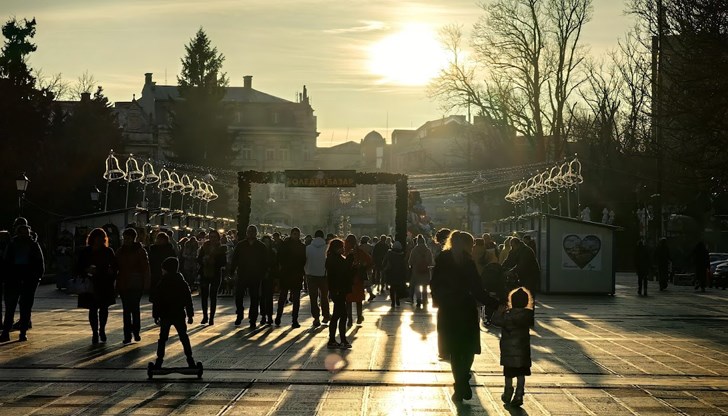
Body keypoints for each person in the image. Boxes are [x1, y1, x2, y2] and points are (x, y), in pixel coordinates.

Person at [430, 230, 497, 403]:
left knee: (453, 350)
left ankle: (459, 383)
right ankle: (463, 379)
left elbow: (434, 283)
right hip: (466, 308)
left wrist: (439, 300)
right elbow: (476, 287)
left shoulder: (443, 259)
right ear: (467, 244)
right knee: (467, 348)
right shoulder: (468, 261)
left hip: (448, 309)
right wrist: (491, 301)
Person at [491, 287, 535, 408]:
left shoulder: (507, 315)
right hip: (523, 351)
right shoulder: (528, 315)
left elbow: (495, 321)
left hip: (508, 351)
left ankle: (508, 391)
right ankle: (519, 394)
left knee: (509, 373)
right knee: (521, 373)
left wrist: (499, 311)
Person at [0, 225, 45, 343]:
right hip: (17, 279)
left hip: (24, 279)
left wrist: (37, 277)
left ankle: (17, 332)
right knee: (16, 307)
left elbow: (40, 264)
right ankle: (15, 332)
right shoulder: (25, 244)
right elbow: (6, 263)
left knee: (17, 307)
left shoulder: (29, 245)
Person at [73, 228, 117, 345]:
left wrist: (111, 272)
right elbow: (78, 267)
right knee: (93, 309)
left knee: (103, 308)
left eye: (101, 237)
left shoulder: (108, 251)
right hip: (90, 283)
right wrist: (86, 270)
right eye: (97, 237)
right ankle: (94, 332)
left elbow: (114, 267)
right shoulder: (85, 252)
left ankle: (101, 329)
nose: (99, 240)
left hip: (104, 283)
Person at [152, 257, 197, 369]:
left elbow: (157, 300)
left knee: (163, 338)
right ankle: (190, 360)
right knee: (183, 337)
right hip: (179, 313)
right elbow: (188, 299)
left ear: (165, 269)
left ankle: (159, 361)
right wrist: (190, 314)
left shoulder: (162, 283)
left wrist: (155, 315)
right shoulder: (182, 282)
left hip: (165, 314)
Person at [115, 228, 150, 343]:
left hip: (135, 282)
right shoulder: (120, 251)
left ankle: (135, 331)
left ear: (133, 238)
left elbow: (145, 268)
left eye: (128, 238)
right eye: (124, 238)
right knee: (127, 309)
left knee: (134, 308)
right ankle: (128, 334)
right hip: (124, 283)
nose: (126, 240)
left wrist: (146, 283)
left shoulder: (139, 251)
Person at [230, 225, 268, 329]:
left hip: (255, 276)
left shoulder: (261, 246)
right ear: (247, 233)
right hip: (242, 274)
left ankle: (253, 319)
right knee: (238, 296)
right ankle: (240, 313)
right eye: (249, 231)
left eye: (253, 231)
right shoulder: (241, 245)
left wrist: (263, 273)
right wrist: (231, 271)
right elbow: (235, 259)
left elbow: (265, 261)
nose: (251, 233)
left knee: (254, 299)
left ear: (256, 233)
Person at [275, 227, 306, 328]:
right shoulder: (286, 245)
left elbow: (304, 260)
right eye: (294, 234)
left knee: (296, 299)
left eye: (297, 234)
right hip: (287, 274)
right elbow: (280, 258)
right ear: (291, 234)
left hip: (296, 275)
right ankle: (278, 317)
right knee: (283, 297)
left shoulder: (301, 246)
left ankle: (295, 320)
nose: (296, 235)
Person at [325, 238, 353, 349]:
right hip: (337, 290)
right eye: (341, 247)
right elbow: (342, 270)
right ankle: (341, 340)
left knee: (337, 315)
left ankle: (334, 339)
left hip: (340, 289)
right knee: (342, 315)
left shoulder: (336, 258)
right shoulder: (333, 259)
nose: (343, 249)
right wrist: (350, 258)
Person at [197, 230, 226, 325]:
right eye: (211, 236)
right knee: (204, 296)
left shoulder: (221, 248)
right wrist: (203, 260)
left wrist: (215, 262)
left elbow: (223, 262)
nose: (212, 239)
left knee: (213, 296)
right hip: (204, 273)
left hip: (215, 273)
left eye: (214, 237)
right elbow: (198, 259)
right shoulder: (204, 247)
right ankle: (205, 316)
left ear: (217, 238)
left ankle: (211, 318)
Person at [345, 234, 373, 326]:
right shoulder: (359, 251)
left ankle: (349, 319)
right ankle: (359, 316)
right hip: (358, 278)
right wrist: (364, 268)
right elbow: (369, 261)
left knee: (348, 300)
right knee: (358, 299)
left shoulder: (345, 252)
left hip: (348, 279)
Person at [305, 230, 330, 327]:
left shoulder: (308, 248)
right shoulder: (327, 248)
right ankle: (326, 315)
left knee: (313, 298)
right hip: (324, 276)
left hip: (311, 276)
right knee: (324, 297)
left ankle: (316, 318)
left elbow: (304, 261)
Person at [148, 232, 177, 302]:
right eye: (158, 239)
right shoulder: (152, 249)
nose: (159, 241)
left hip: (166, 275)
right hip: (155, 274)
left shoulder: (169, 250)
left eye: (161, 239)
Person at [408, 234, 433, 309]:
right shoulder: (428, 250)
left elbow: (410, 261)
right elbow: (431, 262)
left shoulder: (414, 250)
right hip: (425, 271)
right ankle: (425, 300)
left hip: (416, 271)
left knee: (417, 286)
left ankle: (418, 300)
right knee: (425, 287)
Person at [382, 241, 407, 308]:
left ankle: (393, 302)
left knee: (392, 288)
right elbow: (404, 265)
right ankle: (397, 299)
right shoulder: (402, 255)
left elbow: (384, 262)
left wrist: (384, 268)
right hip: (399, 273)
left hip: (390, 272)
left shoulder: (389, 253)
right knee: (398, 287)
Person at [259, 235, 275, 325]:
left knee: (269, 297)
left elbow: (274, 264)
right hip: (261, 277)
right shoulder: (259, 253)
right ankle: (263, 316)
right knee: (262, 297)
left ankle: (269, 316)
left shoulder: (272, 252)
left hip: (269, 277)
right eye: (264, 242)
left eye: (267, 242)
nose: (266, 243)